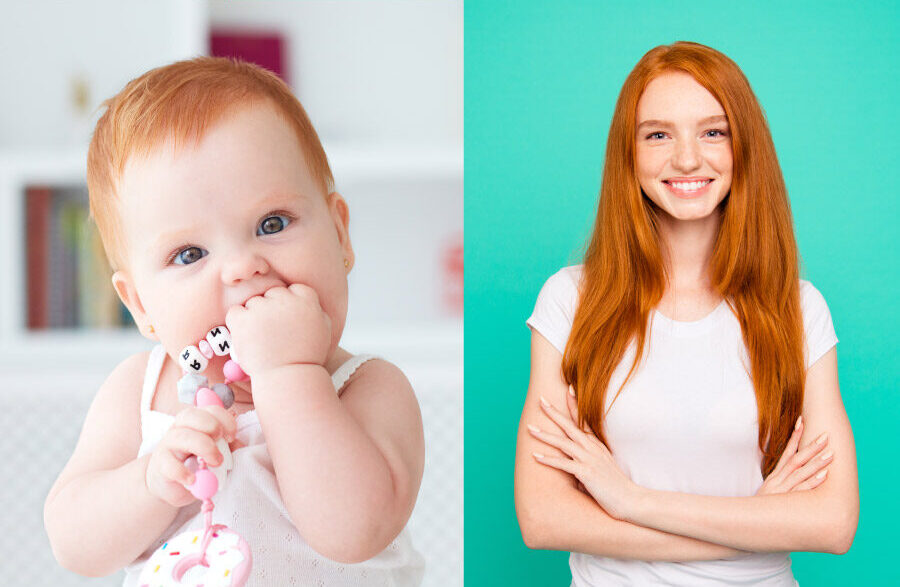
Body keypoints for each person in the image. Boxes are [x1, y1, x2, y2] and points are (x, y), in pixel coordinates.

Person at [43, 57, 425, 586]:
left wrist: (289, 373)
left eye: (272, 224)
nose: (243, 267)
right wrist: (150, 483)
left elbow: (354, 531)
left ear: (340, 236)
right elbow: (73, 543)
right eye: (189, 253)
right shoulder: (140, 390)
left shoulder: (368, 387)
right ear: (141, 307)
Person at [514, 41, 858, 586]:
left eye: (713, 132)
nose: (687, 159)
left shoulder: (797, 308)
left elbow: (833, 523)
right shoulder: (569, 301)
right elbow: (542, 518)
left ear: (744, 145)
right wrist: (754, 523)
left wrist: (628, 500)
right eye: (658, 134)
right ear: (629, 154)